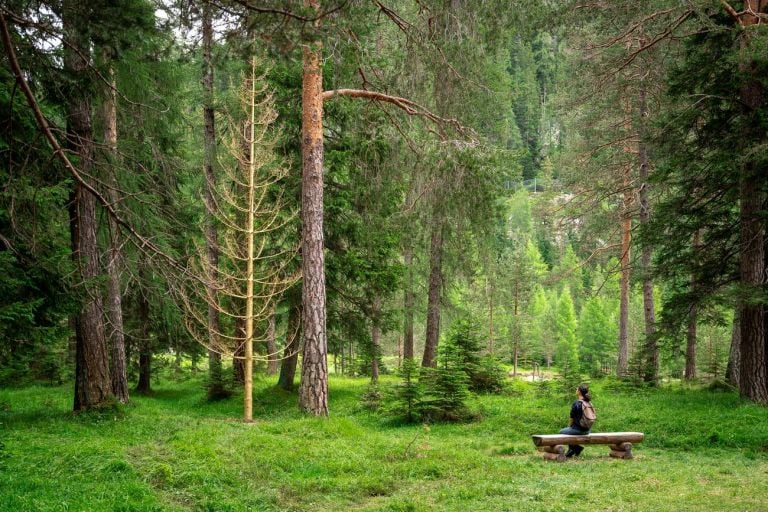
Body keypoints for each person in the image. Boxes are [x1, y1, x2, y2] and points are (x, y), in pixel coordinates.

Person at [559, 383, 592, 458]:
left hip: (578, 430)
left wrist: (569, 427)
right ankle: (573, 449)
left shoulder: (577, 403)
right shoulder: (588, 402)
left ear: (579, 392)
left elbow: (572, 418)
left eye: (577, 389)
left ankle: (576, 448)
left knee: (562, 432)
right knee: (569, 431)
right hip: (587, 430)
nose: (576, 390)